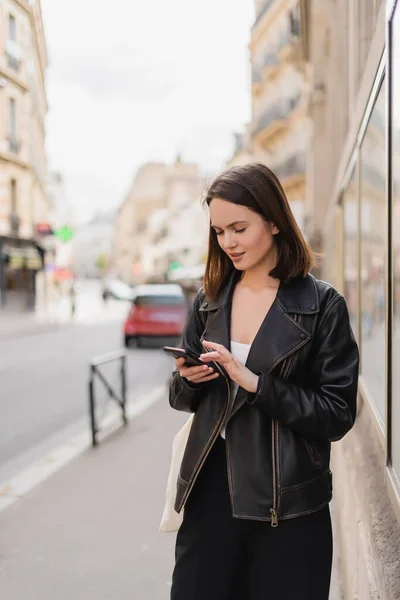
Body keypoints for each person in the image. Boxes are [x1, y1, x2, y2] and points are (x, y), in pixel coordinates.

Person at [168, 163, 359, 600]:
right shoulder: (209, 300)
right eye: (219, 231)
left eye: (239, 228)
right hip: (210, 497)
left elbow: (337, 414)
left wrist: (256, 384)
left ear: (274, 220)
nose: (228, 243)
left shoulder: (322, 305)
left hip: (288, 508)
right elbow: (181, 398)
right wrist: (189, 380)